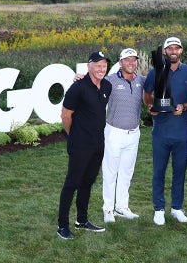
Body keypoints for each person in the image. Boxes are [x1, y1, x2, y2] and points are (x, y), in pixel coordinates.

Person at [143, 37, 187, 225]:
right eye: (170, 48)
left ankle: (177, 207)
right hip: (161, 132)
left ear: (181, 51)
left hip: (182, 133)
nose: (173, 51)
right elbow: (147, 94)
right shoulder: (155, 72)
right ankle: (159, 209)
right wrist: (150, 105)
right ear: (164, 52)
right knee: (158, 172)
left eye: (177, 48)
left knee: (180, 172)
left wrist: (184, 106)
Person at [57, 51, 112, 240]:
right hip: (80, 144)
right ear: (88, 66)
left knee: (87, 182)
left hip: (98, 143)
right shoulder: (77, 88)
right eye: (97, 65)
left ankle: (81, 221)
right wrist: (74, 136)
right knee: (72, 183)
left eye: (104, 65)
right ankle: (62, 225)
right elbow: (66, 115)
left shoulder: (107, 85)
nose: (101, 69)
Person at [101, 48, 146, 223]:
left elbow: (162, 81)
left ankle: (122, 207)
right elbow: (92, 84)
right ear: (120, 63)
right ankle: (108, 209)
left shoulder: (141, 80)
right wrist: (80, 77)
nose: (131, 63)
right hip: (114, 132)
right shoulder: (110, 80)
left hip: (133, 133)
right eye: (127, 60)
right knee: (110, 172)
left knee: (127, 171)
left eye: (134, 60)